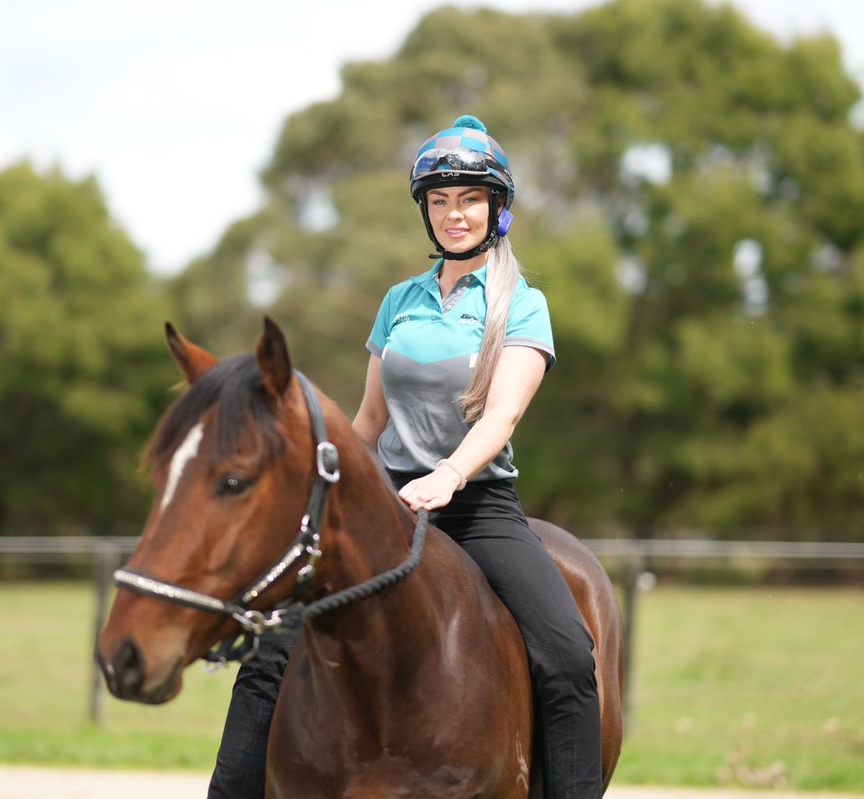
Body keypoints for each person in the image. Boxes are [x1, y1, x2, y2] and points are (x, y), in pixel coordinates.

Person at [208, 114, 603, 798]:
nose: (455, 214)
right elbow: (366, 420)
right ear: (425, 209)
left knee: (568, 654)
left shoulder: (522, 306)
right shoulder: (399, 302)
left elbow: (502, 414)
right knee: (273, 644)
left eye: (470, 198)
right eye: (441, 200)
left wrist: (448, 474)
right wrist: (312, 488)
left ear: (496, 209)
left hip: (477, 509)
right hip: (381, 509)